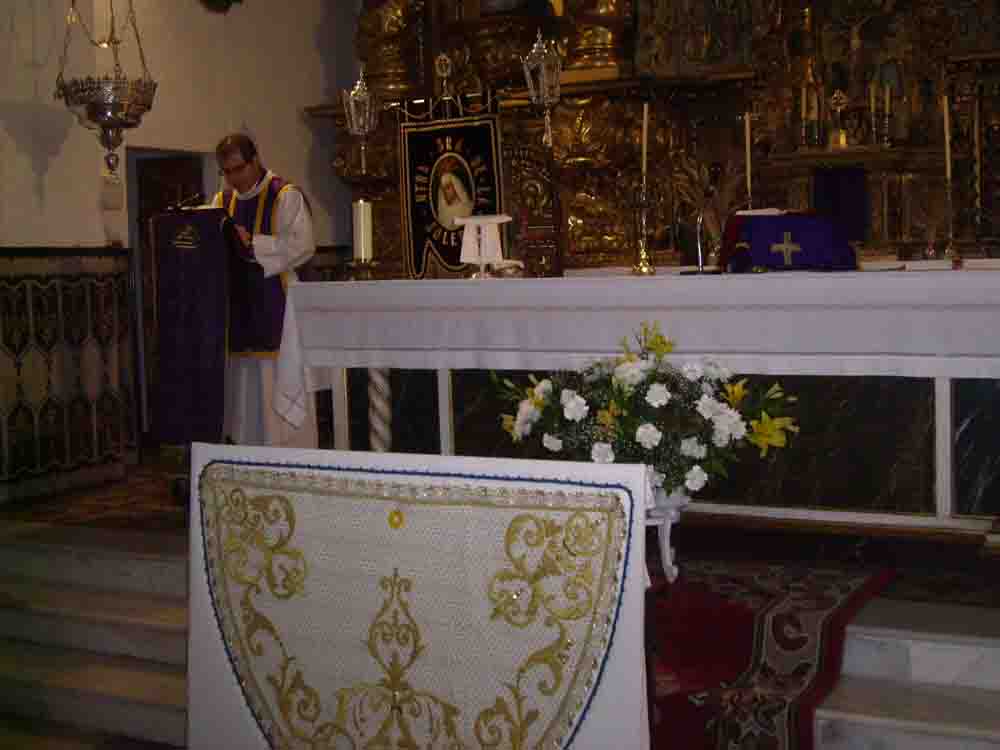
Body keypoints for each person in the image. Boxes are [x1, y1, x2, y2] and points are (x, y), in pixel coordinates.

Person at [211, 133, 318, 449]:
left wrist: (253, 243)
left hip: (278, 306)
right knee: (243, 387)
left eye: (238, 169)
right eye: (226, 172)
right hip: (239, 307)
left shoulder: (285, 195)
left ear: (255, 160)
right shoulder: (222, 202)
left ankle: (289, 456)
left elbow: (302, 246)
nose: (233, 179)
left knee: (277, 384)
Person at [434, 158, 474, 231]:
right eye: (449, 161)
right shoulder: (446, 177)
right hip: (454, 213)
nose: (452, 164)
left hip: (452, 214)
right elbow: (449, 199)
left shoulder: (450, 176)